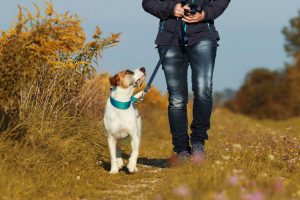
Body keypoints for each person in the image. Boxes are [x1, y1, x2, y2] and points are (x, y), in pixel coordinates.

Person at [142, 0, 230, 160]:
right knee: (176, 99)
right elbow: (147, 3)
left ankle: (198, 143)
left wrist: (205, 14)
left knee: (203, 90)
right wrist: (171, 9)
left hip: (203, 36)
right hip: (169, 39)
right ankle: (181, 150)